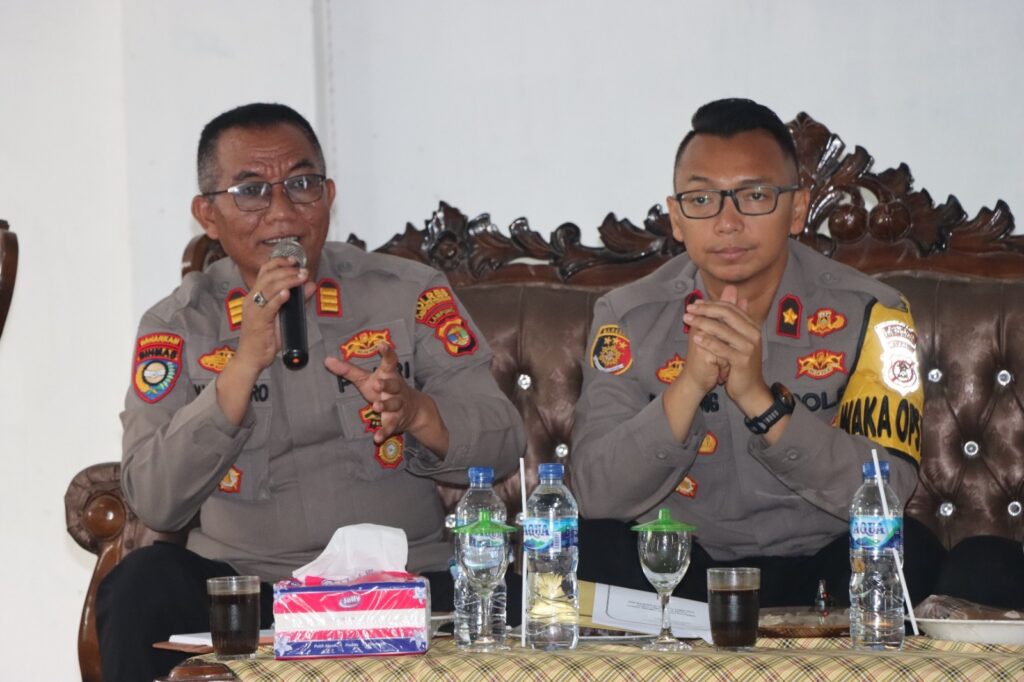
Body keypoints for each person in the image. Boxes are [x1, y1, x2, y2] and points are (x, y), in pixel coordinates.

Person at [96, 103, 526, 681]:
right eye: (251, 191)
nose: (281, 211)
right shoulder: (178, 324)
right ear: (208, 215)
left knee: (522, 599)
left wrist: (418, 412)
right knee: (138, 585)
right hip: (248, 592)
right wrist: (241, 367)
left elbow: (504, 440)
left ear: (329, 195)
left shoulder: (408, 293)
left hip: (404, 585)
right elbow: (154, 500)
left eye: (301, 184)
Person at [570, 98, 947, 608]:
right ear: (677, 217)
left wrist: (759, 400)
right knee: (584, 548)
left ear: (797, 209)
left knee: (910, 550)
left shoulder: (872, 313)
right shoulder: (627, 317)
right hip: (681, 572)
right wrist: (689, 386)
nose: (727, 222)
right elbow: (594, 494)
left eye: (754, 196)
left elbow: (889, 492)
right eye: (702, 199)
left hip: (827, 566)